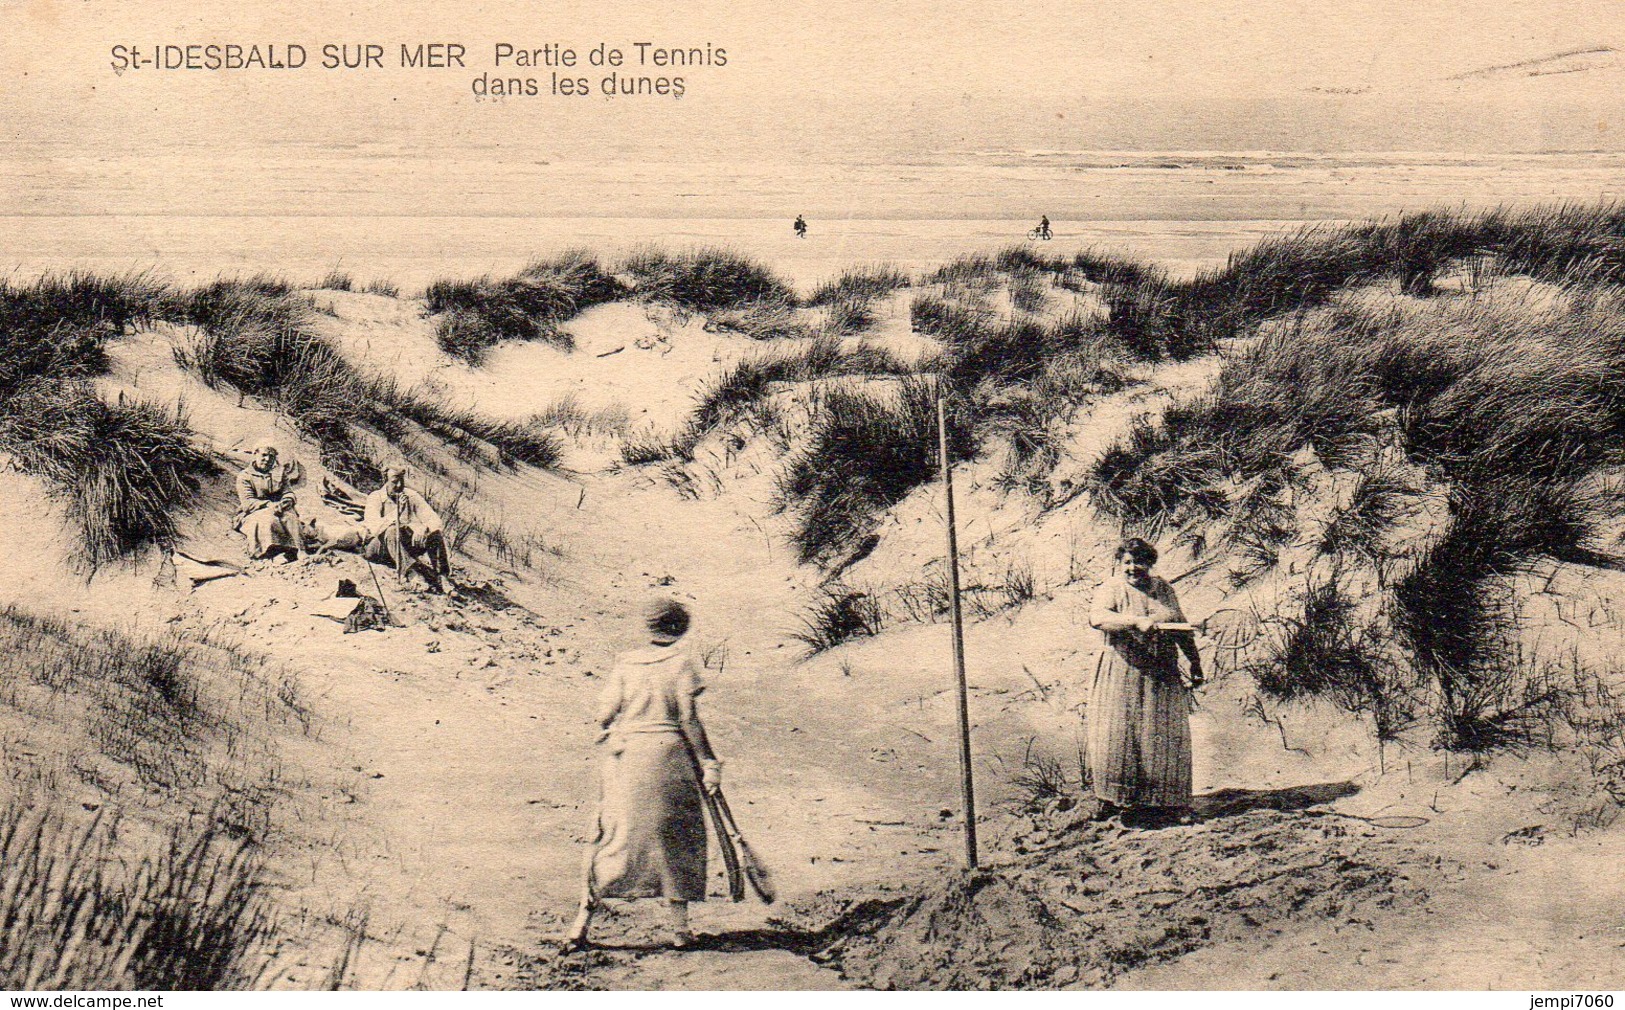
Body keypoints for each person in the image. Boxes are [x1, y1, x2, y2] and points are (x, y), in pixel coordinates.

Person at [562, 599, 723, 952]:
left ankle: (580, 925)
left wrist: (615, 731)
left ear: (648, 627)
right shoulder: (683, 663)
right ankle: (680, 931)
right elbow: (688, 720)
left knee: (614, 836)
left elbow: (604, 714)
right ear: (681, 628)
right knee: (674, 838)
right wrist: (709, 761)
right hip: (669, 757)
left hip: (626, 758)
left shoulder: (624, 662)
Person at [1086, 538, 1203, 824]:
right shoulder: (1112, 588)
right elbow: (1097, 618)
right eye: (1127, 562)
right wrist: (1134, 621)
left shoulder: (1163, 589)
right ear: (1119, 563)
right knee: (1118, 735)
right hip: (1121, 669)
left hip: (1162, 672)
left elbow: (1180, 627)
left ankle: (1169, 804)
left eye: (1139, 562)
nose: (1133, 568)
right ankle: (1113, 801)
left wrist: (1195, 661)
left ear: (1149, 564)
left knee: (1164, 736)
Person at [363, 467, 451, 592]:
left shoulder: (410, 495)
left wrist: (424, 528)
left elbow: (435, 520)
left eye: (402, 481)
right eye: (394, 481)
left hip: (402, 547)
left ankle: (442, 576)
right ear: (385, 480)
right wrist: (397, 513)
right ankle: (412, 573)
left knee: (435, 534)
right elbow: (374, 528)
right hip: (380, 548)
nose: (399, 485)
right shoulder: (375, 497)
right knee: (392, 530)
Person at [234, 442, 307, 561]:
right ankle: (270, 553)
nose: (267, 459)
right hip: (255, 511)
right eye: (264, 455)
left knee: (290, 517)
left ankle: (300, 550)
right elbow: (248, 502)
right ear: (255, 454)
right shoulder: (244, 476)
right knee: (268, 520)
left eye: (271, 457)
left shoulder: (279, 473)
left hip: (279, 508)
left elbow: (288, 491)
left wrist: (287, 500)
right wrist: (268, 505)